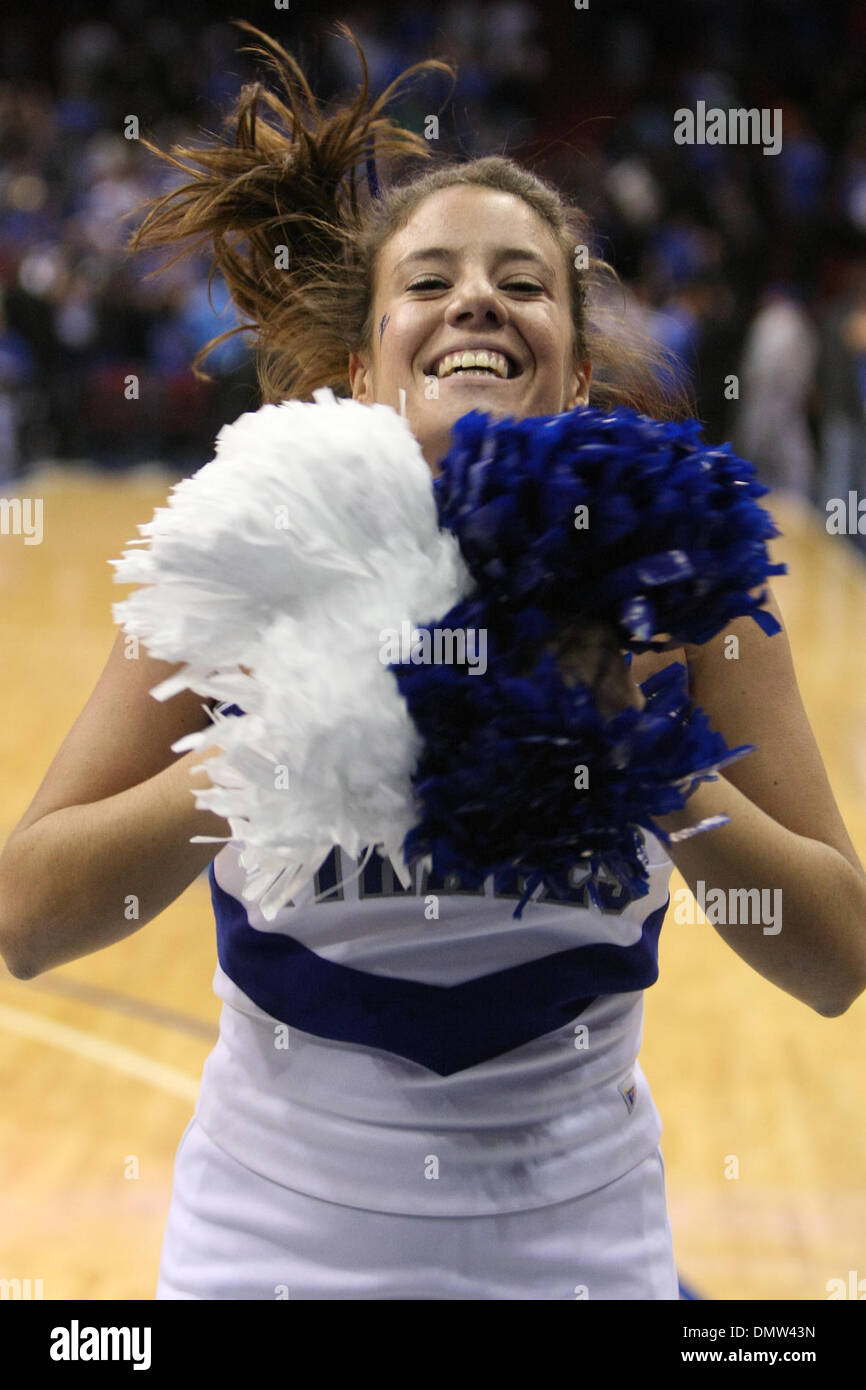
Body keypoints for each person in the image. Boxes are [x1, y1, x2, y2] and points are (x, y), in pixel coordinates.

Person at [2, 24, 865, 1302]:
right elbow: (28, 916)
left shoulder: (677, 585)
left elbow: (835, 957)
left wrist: (650, 763)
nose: (476, 300)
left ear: (574, 371)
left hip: (582, 1258)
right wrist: (286, 735)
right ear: (362, 365)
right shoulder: (244, 556)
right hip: (265, 1257)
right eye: (431, 280)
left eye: (524, 283)